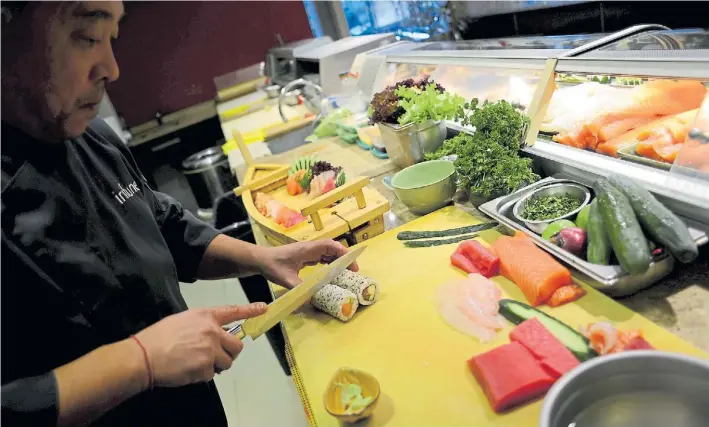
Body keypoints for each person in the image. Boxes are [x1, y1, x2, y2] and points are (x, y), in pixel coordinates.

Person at [1, 2, 357, 426]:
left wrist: (265, 258)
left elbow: (159, 221)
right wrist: (142, 361)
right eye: (88, 38)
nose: (112, 69)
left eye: (111, 40)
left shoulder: (88, 132)